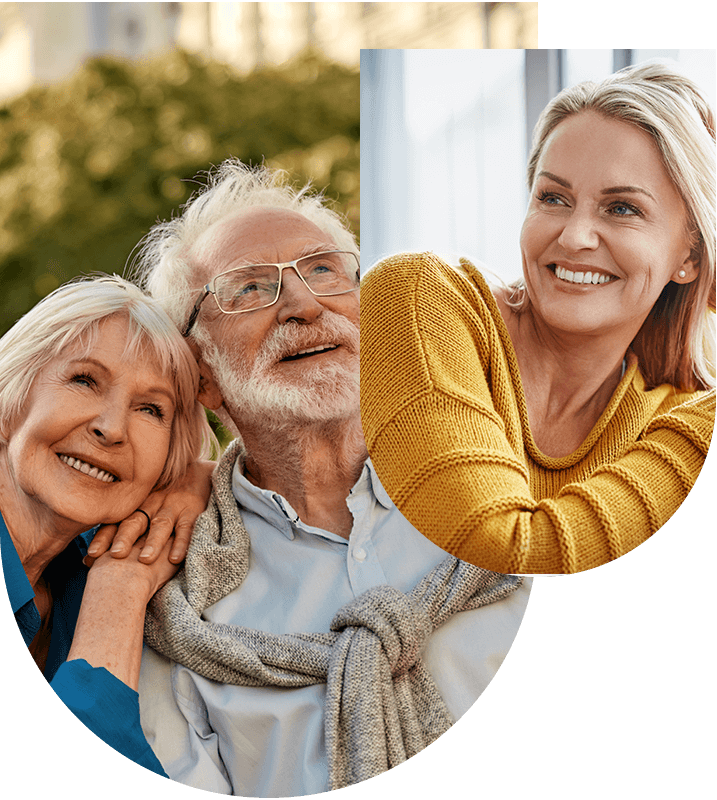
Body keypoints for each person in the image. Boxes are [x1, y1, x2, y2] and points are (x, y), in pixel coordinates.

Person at [119, 159, 531, 795]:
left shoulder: (524, 484)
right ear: (201, 374)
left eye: (323, 269)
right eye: (249, 288)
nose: (304, 305)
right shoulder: (176, 602)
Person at [361, 63, 716, 575]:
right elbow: (496, 547)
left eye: (621, 209)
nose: (574, 237)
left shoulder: (679, 422)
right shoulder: (419, 299)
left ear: (691, 259)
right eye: (553, 198)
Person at [0, 275, 214, 773]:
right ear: (9, 401)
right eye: (84, 380)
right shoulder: (109, 587)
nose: (111, 428)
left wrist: (204, 478)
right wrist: (118, 595)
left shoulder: (76, 570)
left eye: (150, 409)